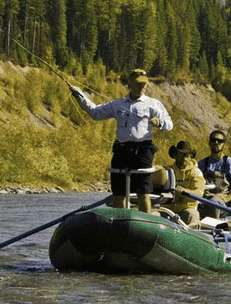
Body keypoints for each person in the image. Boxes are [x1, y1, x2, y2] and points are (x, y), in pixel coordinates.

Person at [70, 68, 172, 214]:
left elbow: (169, 124)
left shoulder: (153, 104)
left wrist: (160, 123)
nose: (142, 87)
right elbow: (95, 112)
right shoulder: (118, 104)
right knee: (119, 193)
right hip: (121, 150)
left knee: (143, 192)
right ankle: (121, 221)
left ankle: (145, 221)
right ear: (130, 84)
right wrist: (79, 95)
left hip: (143, 150)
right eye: (138, 83)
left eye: (144, 84)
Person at [197, 128, 231, 215]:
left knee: (213, 202)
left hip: (224, 205)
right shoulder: (201, 163)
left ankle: (213, 227)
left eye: (219, 141)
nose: (216, 143)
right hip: (203, 201)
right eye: (213, 140)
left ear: (224, 144)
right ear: (209, 143)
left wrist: (226, 198)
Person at [166, 140, 206, 227]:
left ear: (191, 157)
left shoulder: (196, 172)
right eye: (181, 154)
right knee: (153, 213)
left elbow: (199, 193)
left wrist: (185, 191)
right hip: (168, 211)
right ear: (175, 155)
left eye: (187, 155)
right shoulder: (168, 171)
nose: (184, 158)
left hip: (187, 211)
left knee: (193, 216)